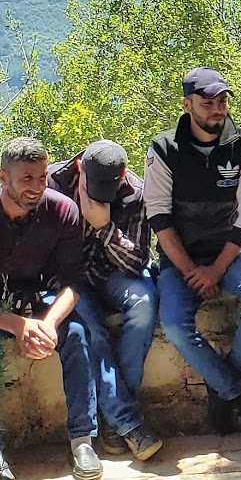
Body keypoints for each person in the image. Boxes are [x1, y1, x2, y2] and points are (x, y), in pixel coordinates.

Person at [0, 138, 97, 480]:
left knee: (77, 334)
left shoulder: (62, 212)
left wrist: (47, 325)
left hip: (41, 301)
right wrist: (18, 326)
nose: (36, 187)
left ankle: (83, 439)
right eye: (26, 178)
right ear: (4, 177)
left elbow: (73, 283)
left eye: (42, 178)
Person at [146, 67, 241, 443]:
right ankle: (239, 393)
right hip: (177, 259)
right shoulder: (164, 149)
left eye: (222, 101)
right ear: (187, 106)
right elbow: (158, 215)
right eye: (208, 103)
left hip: (229, 255)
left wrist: (215, 271)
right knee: (172, 324)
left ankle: (223, 384)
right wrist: (191, 272)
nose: (217, 109)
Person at [49, 140, 162, 461]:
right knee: (91, 332)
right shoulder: (54, 184)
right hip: (69, 282)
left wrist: (104, 227)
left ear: (122, 175)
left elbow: (138, 261)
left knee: (144, 304)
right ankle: (125, 422)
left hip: (114, 273)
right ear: (80, 167)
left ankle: (115, 417)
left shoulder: (136, 193)